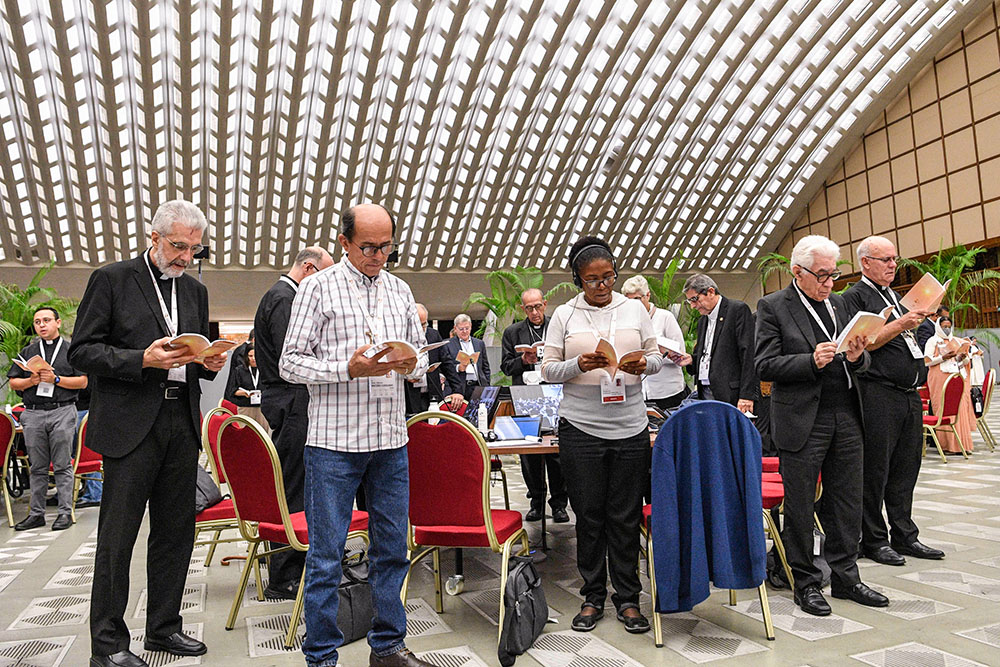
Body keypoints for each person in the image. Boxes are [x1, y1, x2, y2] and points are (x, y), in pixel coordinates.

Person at [69, 200, 227, 667]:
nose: (185, 257)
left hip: (181, 422)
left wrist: (207, 362)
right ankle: (109, 645)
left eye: (194, 250)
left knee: (175, 533)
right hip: (129, 424)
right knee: (117, 538)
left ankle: (164, 628)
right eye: (178, 246)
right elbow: (82, 352)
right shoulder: (113, 279)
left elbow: (191, 355)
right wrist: (141, 359)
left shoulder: (194, 293)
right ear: (153, 236)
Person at [279, 204, 434, 667]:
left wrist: (413, 365)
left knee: (392, 550)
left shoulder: (400, 290)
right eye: (368, 247)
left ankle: (388, 646)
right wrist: (347, 368)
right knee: (327, 556)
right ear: (344, 242)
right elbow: (290, 363)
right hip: (334, 444)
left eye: (387, 247)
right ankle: (322, 656)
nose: (378, 256)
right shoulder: (317, 288)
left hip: (390, 441)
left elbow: (420, 361)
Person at [755, 235, 888, 616]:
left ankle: (846, 576)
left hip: (845, 412)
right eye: (822, 275)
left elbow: (861, 364)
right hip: (802, 418)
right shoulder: (773, 306)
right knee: (799, 504)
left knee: (847, 500)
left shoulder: (839, 304)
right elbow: (764, 365)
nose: (829, 283)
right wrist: (809, 360)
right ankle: (805, 581)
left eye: (834, 275)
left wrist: (859, 356)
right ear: (798, 272)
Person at [540, 236, 662, 635]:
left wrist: (645, 365)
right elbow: (548, 370)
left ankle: (627, 598)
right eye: (592, 279)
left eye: (608, 276)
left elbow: (657, 356)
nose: (602, 285)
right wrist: (578, 363)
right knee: (589, 516)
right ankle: (592, 596)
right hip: (581, 428)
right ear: (578, 279)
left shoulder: (633, 309)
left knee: (624, 516)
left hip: (629, 426)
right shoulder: (563, 315)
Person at [842, 235, 944, 566]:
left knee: (906, 467)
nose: (892, 265)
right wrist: (901, 323)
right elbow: (864, 343)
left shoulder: (896, 297)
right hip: (878, 392)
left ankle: (905, 534)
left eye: (894, 259)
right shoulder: (854, 297)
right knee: (877, 469)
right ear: (865, 263)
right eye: (885, 259)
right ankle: (874, 539)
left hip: (908, 394)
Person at [253, 245, 334, 599]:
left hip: (286, 398)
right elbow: (297, 355)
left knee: (294, 482)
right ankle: (284, 574)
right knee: (293, 487)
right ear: (309, 268)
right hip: (292, 397)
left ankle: (293, 562)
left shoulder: (279, 294)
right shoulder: (287, 299)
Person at [6, 306, 88, 531]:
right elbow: (14, 382)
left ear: (58, 323)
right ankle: (36, 514)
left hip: (62, 409)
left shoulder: (71, 350)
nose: (41, 325)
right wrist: (30, 382)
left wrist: (56, 379)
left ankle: (64, 512)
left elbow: (82, 382)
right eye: (37, 322)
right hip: (32, 412)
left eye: (46, 320)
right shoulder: (28, 351)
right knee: (37, 466)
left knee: (62, 464)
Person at [500, 288, 569, 524]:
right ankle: (536, 502)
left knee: (557, 453)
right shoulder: (512, 332)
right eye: (529, 308)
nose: (534, 312)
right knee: (529, 454)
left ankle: (559, 504)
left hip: (554, 394)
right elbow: (506, 367)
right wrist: (523, 360)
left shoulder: (557, 327)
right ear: (523, 309)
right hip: (526, 396)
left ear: (545, 304)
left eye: (538, 306)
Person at [672, 274, 757, 413]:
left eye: (695, 299)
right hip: (705, 392)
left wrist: (747, 395)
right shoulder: (703, 321)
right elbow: (707, 354)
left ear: (711, 291)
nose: (693, 306)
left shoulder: (736, 310)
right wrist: (691, 360)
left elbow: (749, 354)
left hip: (731, 394)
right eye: (690, 302)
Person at [620, 276, 689, 410]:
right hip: (639, 392)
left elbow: (681, 352)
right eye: (628, 301)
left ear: (648, 296)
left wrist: (657, 354)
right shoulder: (624, 322)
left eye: (637, 299)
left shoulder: (664, 317)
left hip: (667, 390)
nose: (633, 304)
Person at [923, 317, 975, 454]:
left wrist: (962, 358)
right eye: (944, 326)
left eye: (949, 326)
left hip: (956, 376)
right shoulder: (932, 341)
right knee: (944, 409)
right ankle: (948, 445)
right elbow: (926, 361)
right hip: (939, 378)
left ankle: (963, 444)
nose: (947, 329)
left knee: (959, 409)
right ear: (939, 327)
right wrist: (942, 358)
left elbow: (962, 361)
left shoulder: (956, 340)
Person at [404, 304, 446, 415]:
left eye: (424, 324)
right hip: (410, 395)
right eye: (419, 324)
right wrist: (406, 376)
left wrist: (457, 391)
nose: (422, 328)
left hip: (431, 393)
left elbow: (446, 362)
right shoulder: (403, 337)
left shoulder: (433, 334)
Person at [442, 314, 490, 410]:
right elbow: (445, 367)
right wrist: (458, 368)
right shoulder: (447, 344)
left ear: (471, 327)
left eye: (467, 328)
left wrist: (487, 384)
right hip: (459, 386)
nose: (464, 331)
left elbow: (485, 367)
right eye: (461, 329)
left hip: (477, 384)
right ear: (455, 329)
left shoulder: (479, 343)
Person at [230, 345, 270, 432]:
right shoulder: (239, 370)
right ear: (246, 357)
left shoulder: (265, 370)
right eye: (250, 356)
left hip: (262, 408)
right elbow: (233, 390)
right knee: (247, 435)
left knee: (264, 435)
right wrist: (244, 393)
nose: (253, 359)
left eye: (255, 355)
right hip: (246, 407)